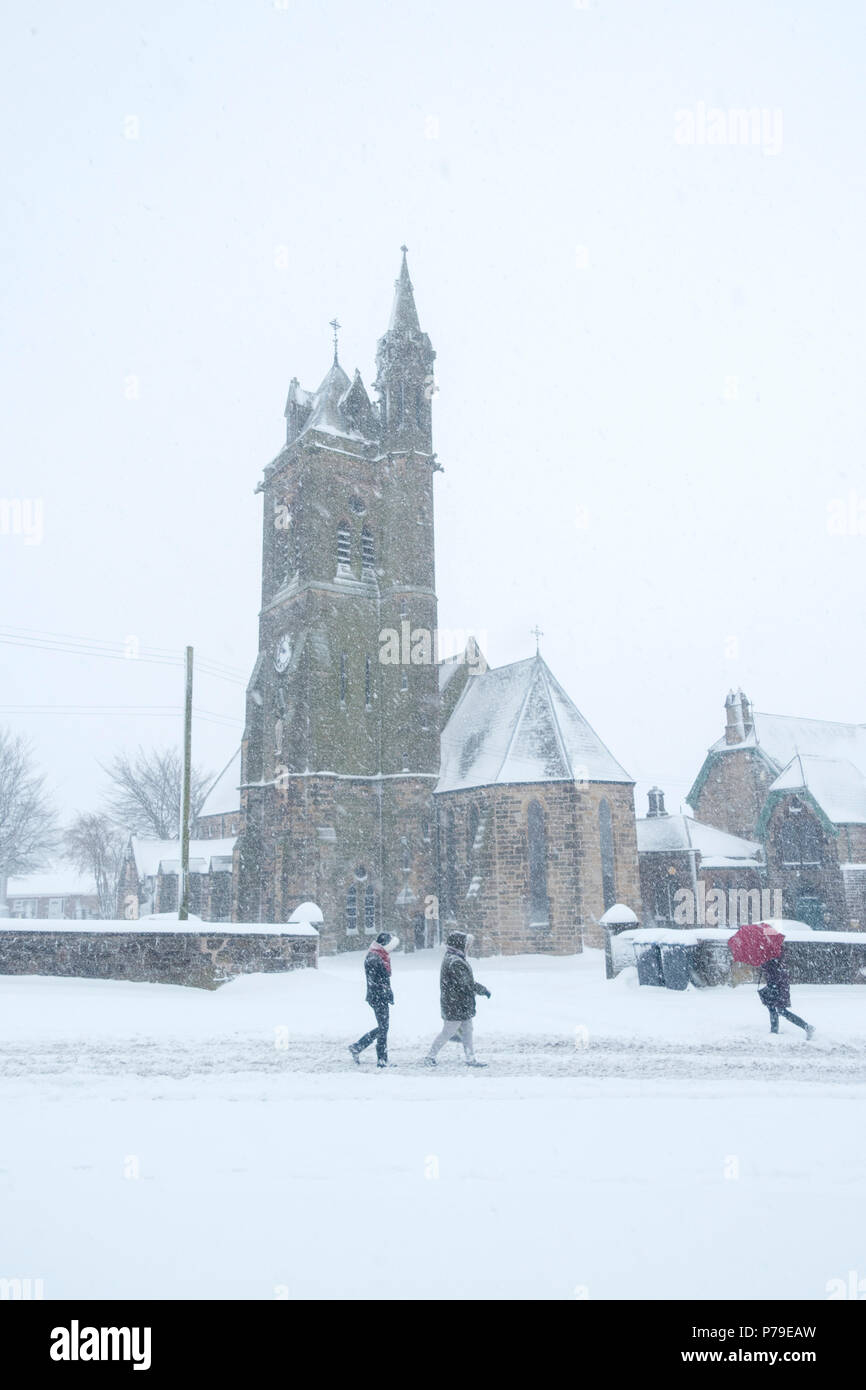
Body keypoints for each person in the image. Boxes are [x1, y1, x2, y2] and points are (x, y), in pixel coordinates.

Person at [424, 929, 491, 1067]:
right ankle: (430, 1056)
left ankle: (470, 1058)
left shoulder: (453, 957)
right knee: (448, 1032)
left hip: (458, 1003)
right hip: (455, 1004)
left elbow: (464, 983)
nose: (468, 947)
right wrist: (482, 990)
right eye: (466, 944)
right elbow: (465, 984)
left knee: (467, 1031)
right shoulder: (455, 961)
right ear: (460, 945)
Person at [349, 932, 399, 1067]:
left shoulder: (378, 956)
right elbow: (376, 981)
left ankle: (361, 1048)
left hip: (380, 996)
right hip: (378, 997)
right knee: (383, 1028)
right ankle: (380, 1058)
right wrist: (384, 993)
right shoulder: (374, 958)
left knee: (383, 1027)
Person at [759, 953, 815, 1039]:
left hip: (777, 990)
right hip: (779, 989)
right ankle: (775, 1030)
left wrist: (764, 965)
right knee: (774, 1009)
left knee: (780, 1010)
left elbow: (774, 977)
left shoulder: (773, 961)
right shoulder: (777, 960)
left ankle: (806, 1026)